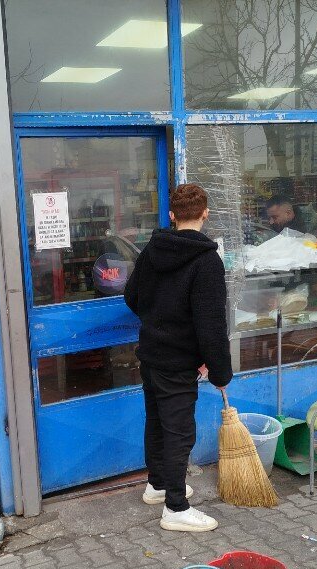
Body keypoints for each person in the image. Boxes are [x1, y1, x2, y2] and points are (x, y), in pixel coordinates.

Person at [124, 184, 233, 532]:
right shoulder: (207, 261)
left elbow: (131, 296)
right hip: (178, 362)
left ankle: (157, 485)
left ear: (172, 215)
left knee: (157, 423)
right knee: (179, 433)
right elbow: (211, 325)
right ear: (205, 214)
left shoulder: (151, 251)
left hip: (151, 356)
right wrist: (220, 372)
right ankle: (175, 507)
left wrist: (157, 322)